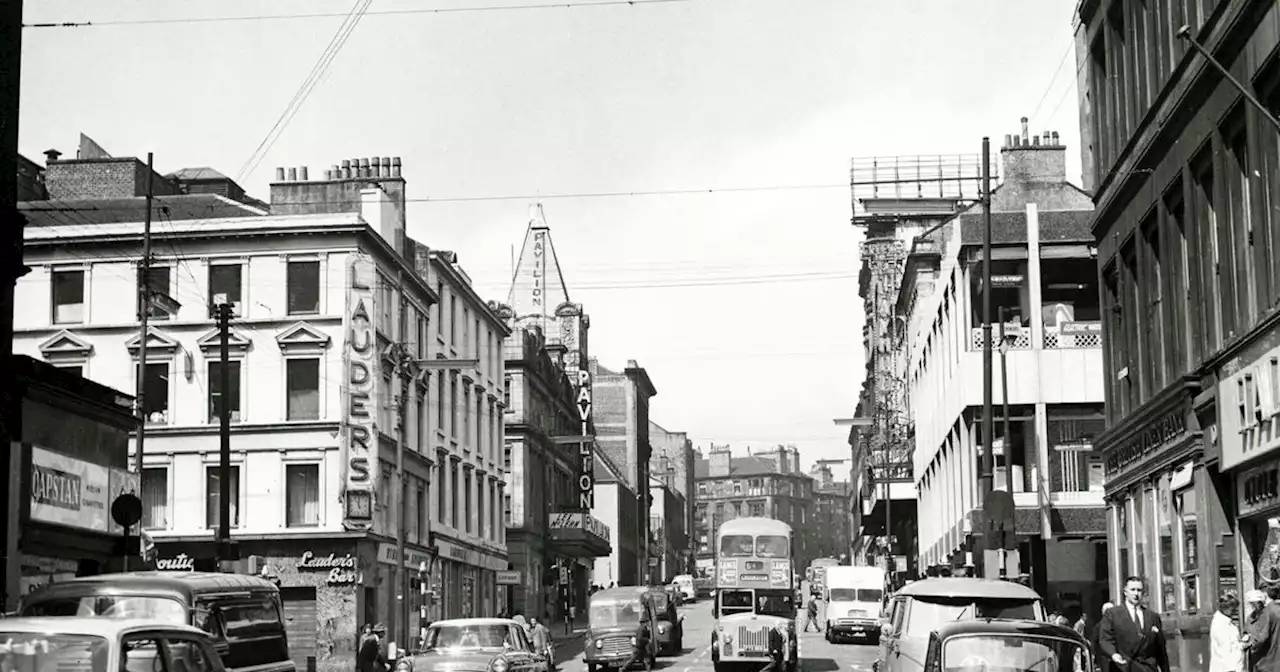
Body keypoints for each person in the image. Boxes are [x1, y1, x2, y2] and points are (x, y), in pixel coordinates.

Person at [1098, 576, 1170, 672]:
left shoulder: (1153, 617)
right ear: (1125, 592)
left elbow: (1161, 650)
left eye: (1139, 590)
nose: (1136, 594)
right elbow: (1105, 639)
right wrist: (1114, 654)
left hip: (1147, 669)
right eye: (1132, 590)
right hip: (1123, 668)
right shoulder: (1113, 614)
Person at [1210, 591, 1244, 672]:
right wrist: (1231, 670)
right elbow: (1224, 651)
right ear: (1226, 608)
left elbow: (1233, 645)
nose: (1235, 612)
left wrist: (1242, 644)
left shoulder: (1227, 622)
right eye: (1233, 609)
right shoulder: (1220, 625)